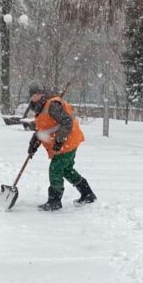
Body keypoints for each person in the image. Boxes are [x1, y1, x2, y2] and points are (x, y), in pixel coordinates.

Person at [26, 82, 96, 211]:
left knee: (56, 168)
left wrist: (59, 140)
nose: (35, 96)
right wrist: (33, 146)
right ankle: (87, 193)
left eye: (38, 93)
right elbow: (42, 129)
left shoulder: (52, 105)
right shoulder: (38, 108)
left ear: (42, 94)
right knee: (66, 170)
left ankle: (54, 201)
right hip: (66, 142)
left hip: (67, 141)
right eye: (33, 94)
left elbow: (67, 123)